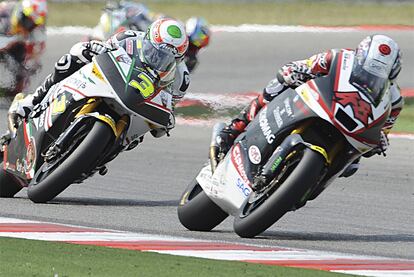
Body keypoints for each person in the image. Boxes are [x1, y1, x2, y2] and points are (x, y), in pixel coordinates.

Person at [217, 34, 403, 177]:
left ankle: (310, 183)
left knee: (351, 167)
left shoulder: (394, 100)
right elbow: (307, 65)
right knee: (277, 85)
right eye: (368, 71)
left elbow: (384, 129)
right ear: (360, 57)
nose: (370, 78)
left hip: (353, 128)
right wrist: (294, 70)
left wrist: (381, 140)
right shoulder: (340, 57)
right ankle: (237, 125)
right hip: (321, 102)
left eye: (378, 75)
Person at [8, 17, 190, 139]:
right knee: (71, 59)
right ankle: (33, 101)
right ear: (148, 38)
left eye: (167, 58)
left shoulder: (181, 79)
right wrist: (92, 48)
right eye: (154, 50)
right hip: (113, 82)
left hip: (139, 102)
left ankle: (107, 150)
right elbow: (101, 51)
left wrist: (166, 121)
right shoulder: (129, 37)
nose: (158, 58)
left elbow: (165, 119)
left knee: (139, 135)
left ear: (179, 59)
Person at [94, 2, 210, 73]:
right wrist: (128, 10)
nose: (200, 39)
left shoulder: (190, 59)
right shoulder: (174, 26)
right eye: (200, 36)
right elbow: (151, 16)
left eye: (202, 38)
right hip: (145, 41)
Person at [0, 0, 47, 95]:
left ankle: (16, 92)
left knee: (24, 68)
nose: (31, 26)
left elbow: (40, 43)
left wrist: (32, 61)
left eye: (33, 24)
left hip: (14, 41)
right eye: (28, 21)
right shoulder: (4, 12)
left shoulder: (36, 21)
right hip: (5, 38)